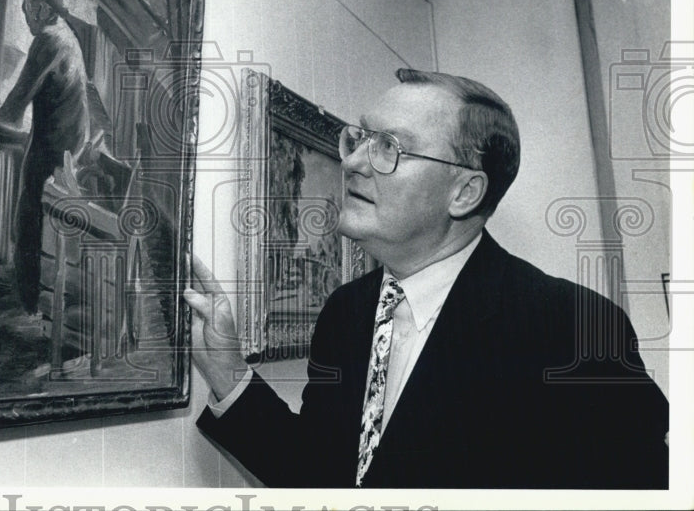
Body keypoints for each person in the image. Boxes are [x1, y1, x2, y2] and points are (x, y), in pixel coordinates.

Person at [185, 69, 669, 489]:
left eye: (389, 148)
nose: (352, 162)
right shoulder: (345, 312)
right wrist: (230, 376)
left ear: (464, 193)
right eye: (359, 138)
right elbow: (322, 477)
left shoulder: (575, 328)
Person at [0, 0, 89, 312]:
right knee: (35, 213)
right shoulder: (64, 35)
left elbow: (17, 102)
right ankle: (33, 292)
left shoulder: (48, 41)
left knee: (28, 211)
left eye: (26, 3)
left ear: (42, 8)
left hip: (55, 144)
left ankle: (29, 301)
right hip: (67, 141)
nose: (22, 11)